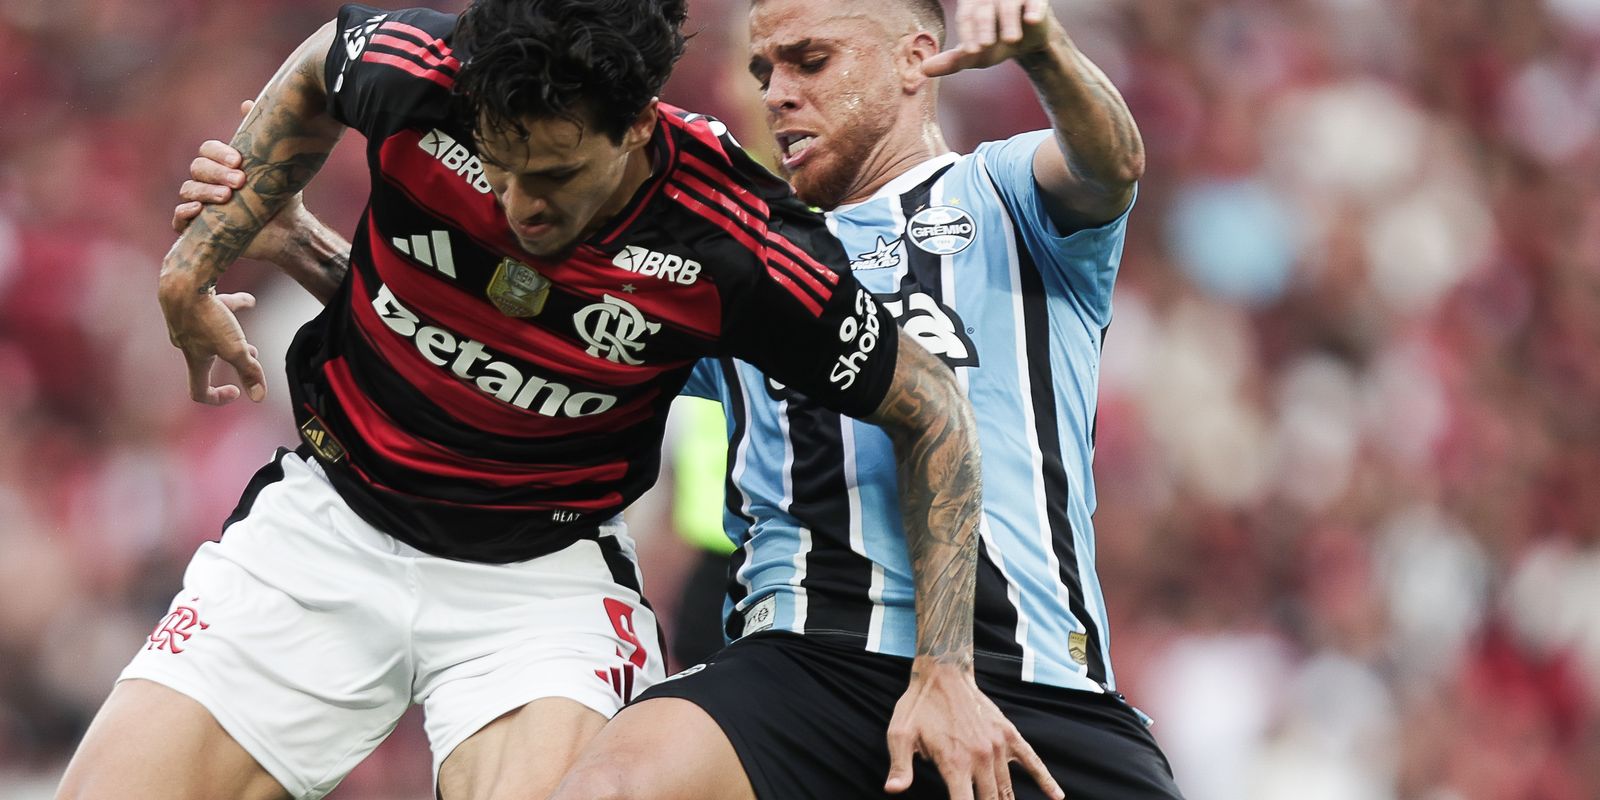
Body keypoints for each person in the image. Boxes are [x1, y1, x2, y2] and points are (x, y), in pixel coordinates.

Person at [58, 1, 1034, 799]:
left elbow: (932, 405)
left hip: (535, 589)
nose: (520, 204)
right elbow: (323, 62)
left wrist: (943, 663)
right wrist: (197, 263)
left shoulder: (740, 244)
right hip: (323, 527)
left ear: (640, 127)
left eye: (558, 173)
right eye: (500, 161)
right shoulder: (415, 70)